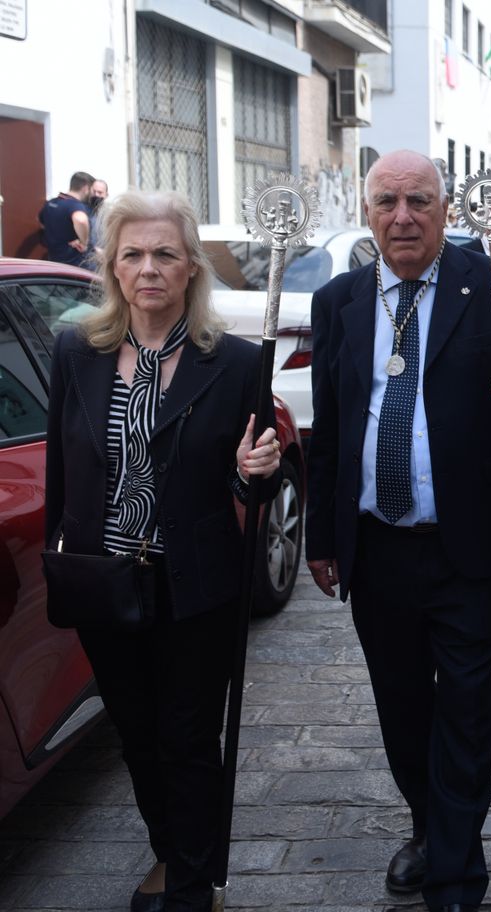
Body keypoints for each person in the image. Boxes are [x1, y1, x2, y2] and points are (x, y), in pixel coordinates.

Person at [304, 150, 491, 912]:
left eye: (419, 199)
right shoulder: (341, 301)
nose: (403, 215)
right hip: (377, 549)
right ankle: (429, 825)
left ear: (446, 208)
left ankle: (454, 868)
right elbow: (330, 432)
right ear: (368, 208)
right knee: (403, 707)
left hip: (468, 546)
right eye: (387, 201)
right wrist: (322, 536)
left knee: (467, 706)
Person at [44, 189, 281, 912]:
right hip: (105, 580)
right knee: (138, 737)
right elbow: (60, 464)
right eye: (133, 255)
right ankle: (170, 852)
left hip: (193, 584)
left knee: (185, 736)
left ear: (190, 271)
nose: (149, 268)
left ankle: (192, 879)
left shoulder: (234, 363)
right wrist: (65, 557)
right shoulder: (74, 351)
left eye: (165, 255)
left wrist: (253, 475)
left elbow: (250, 486)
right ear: (112, 267)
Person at [39, 171, 96, 268]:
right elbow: (80, 220)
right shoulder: (75, 205)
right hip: (73, 264)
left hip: (54, 261)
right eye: (92, 190)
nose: (92, 194)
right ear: (86, 188)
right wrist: (84, 243)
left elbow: (41, 222)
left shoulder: (51, 203)